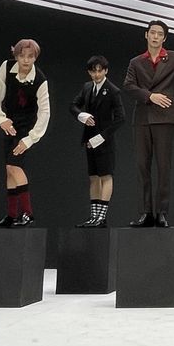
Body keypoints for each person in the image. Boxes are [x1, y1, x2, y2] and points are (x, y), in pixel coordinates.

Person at [123, 20, 174, 228]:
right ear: (146, 35)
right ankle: (145, 212)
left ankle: (162, 212)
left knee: (163, 166)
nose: (156, 36)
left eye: (160, 34)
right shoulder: (136, 62)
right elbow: (128, 86)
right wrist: (150, 96)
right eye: (153, 33)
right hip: (142, 118)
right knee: (142, 166)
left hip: (165, 118)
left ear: (164, 38)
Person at [0, 39, 50, 227]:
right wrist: (0, 119)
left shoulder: (40, 80)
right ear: (16, 55)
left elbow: (45, 112)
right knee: (9, 169)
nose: (25, 60)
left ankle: (28, 213)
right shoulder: (6, 67)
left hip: (26, 128)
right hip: (9, 123)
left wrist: (30, 139)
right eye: (22, 56)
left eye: (30, 56)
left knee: (15, 166)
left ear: (35, 58)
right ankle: (12, 215)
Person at [70, 55, 125, 228]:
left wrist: (102, 136)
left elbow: (121, 118)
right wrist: (81, 115)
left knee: (106, 176)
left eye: (100, 70)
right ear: (89, 72)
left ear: (106, 71)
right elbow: (73, 105)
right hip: (89, 139)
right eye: (93, 71)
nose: (96, 74)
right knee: (93, 177)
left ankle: (102, 216)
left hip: (104, 140)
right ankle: (94, 216)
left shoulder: (113, 90)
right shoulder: (87, 87)